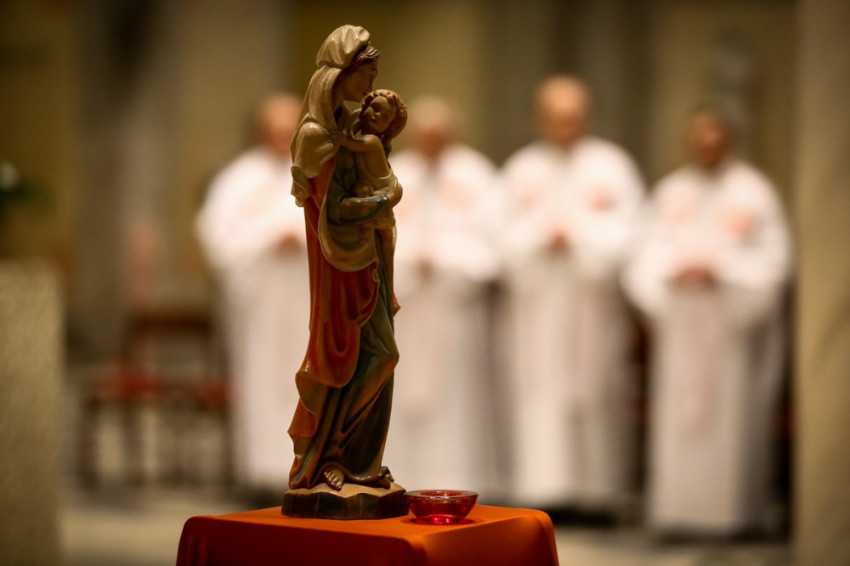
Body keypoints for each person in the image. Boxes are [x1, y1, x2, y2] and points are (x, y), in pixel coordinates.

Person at [622, 106, 792, 536]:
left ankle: (734, 515)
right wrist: (673, 270)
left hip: (729, 326)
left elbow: (775, 260)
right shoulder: (671, 190)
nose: (707, 145)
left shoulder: (754, 192)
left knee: (730, 423)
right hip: (683, 322)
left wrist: (725, 270)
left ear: (729, 140)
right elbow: (643, 254)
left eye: (715, 137)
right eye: (699, 138)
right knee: (679, 420)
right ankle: (677, 512)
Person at [500, 75, 645, 514]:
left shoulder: (612, 166)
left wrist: (579, 234)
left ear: (587, 117)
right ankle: (543, 491)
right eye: (556, 116)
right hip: (539, 308)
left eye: (573, 116)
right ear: (540, 118)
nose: (565, 125)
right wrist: (541, 236)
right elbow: (499, 235)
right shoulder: (522, 169)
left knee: (596, 389)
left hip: (591, 305)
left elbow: (632, 230)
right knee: (540, 394)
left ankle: (598, 492)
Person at [287, 25, 400, 492]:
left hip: (366, 258)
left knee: (382, 356)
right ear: (342, 74)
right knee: (355, 356)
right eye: (366, 74)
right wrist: (383, 202)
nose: (371, 86)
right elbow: (332, 209)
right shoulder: (317, 136)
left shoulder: (353, 128)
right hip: (339, 264)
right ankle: (329, 455)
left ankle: (360, 461)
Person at [382, 96, 502, 497]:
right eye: (424, 135)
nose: (431, 142)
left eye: (439, 135)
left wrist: (448, 261)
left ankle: (458, 482)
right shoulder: (392, 172)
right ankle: (402, 477)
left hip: (454, 308)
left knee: (458, 400)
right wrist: (409, 262)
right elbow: (376, 231)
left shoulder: (476, 176)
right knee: (400, 391)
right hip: (405, 306)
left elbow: (493, 240)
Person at [196, 93, 308, 495]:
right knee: (261, 383)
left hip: (309, 301)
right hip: (261, 302)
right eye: (276, 129)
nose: (283, 136)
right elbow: (218, 238)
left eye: (290, 128)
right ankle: (261, 474)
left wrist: (306, 239)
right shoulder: (238, 179)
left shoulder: (322, 171)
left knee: (308, 380)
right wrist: (268, 239)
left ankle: (311, 468)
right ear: (261, 131)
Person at [332, 88, 408, 306]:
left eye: (385, 116)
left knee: (387, 249)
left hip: (382, 196)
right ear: (365, 105)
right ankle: (390, 294)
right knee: (386, 249)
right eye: (374, 108)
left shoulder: (372, 142)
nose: (377, 116)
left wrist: (337, 137)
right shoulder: (360, 130)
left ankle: (390, 294)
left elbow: (350, 144)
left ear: (389, 126)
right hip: (376, 196)